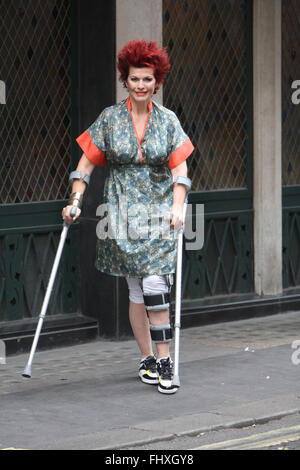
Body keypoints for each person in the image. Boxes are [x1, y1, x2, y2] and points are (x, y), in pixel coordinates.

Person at [62, 40, 194, 394]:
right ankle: (147, 356)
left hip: (158, 213)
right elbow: (84, 165)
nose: (140, 85)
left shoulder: (168, 121)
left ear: (157, 81)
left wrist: (178, 206)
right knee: (136, 290)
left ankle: (166, 361)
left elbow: (180, 168)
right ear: (126, 79)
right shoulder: (109, 118)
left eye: (147, 79)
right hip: (120, 215)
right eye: (135, 78)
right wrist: (75, 201)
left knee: (154, 286)